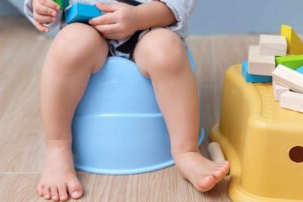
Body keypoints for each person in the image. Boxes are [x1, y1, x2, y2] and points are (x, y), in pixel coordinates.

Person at [23, 0, 230, 201]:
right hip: (85, 25)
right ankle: (57, 146)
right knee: (69, 46)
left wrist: (139, 17)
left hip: (150, 25)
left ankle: (186, 150)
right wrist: (42, 5)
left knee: (166, 50)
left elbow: (176, 6)